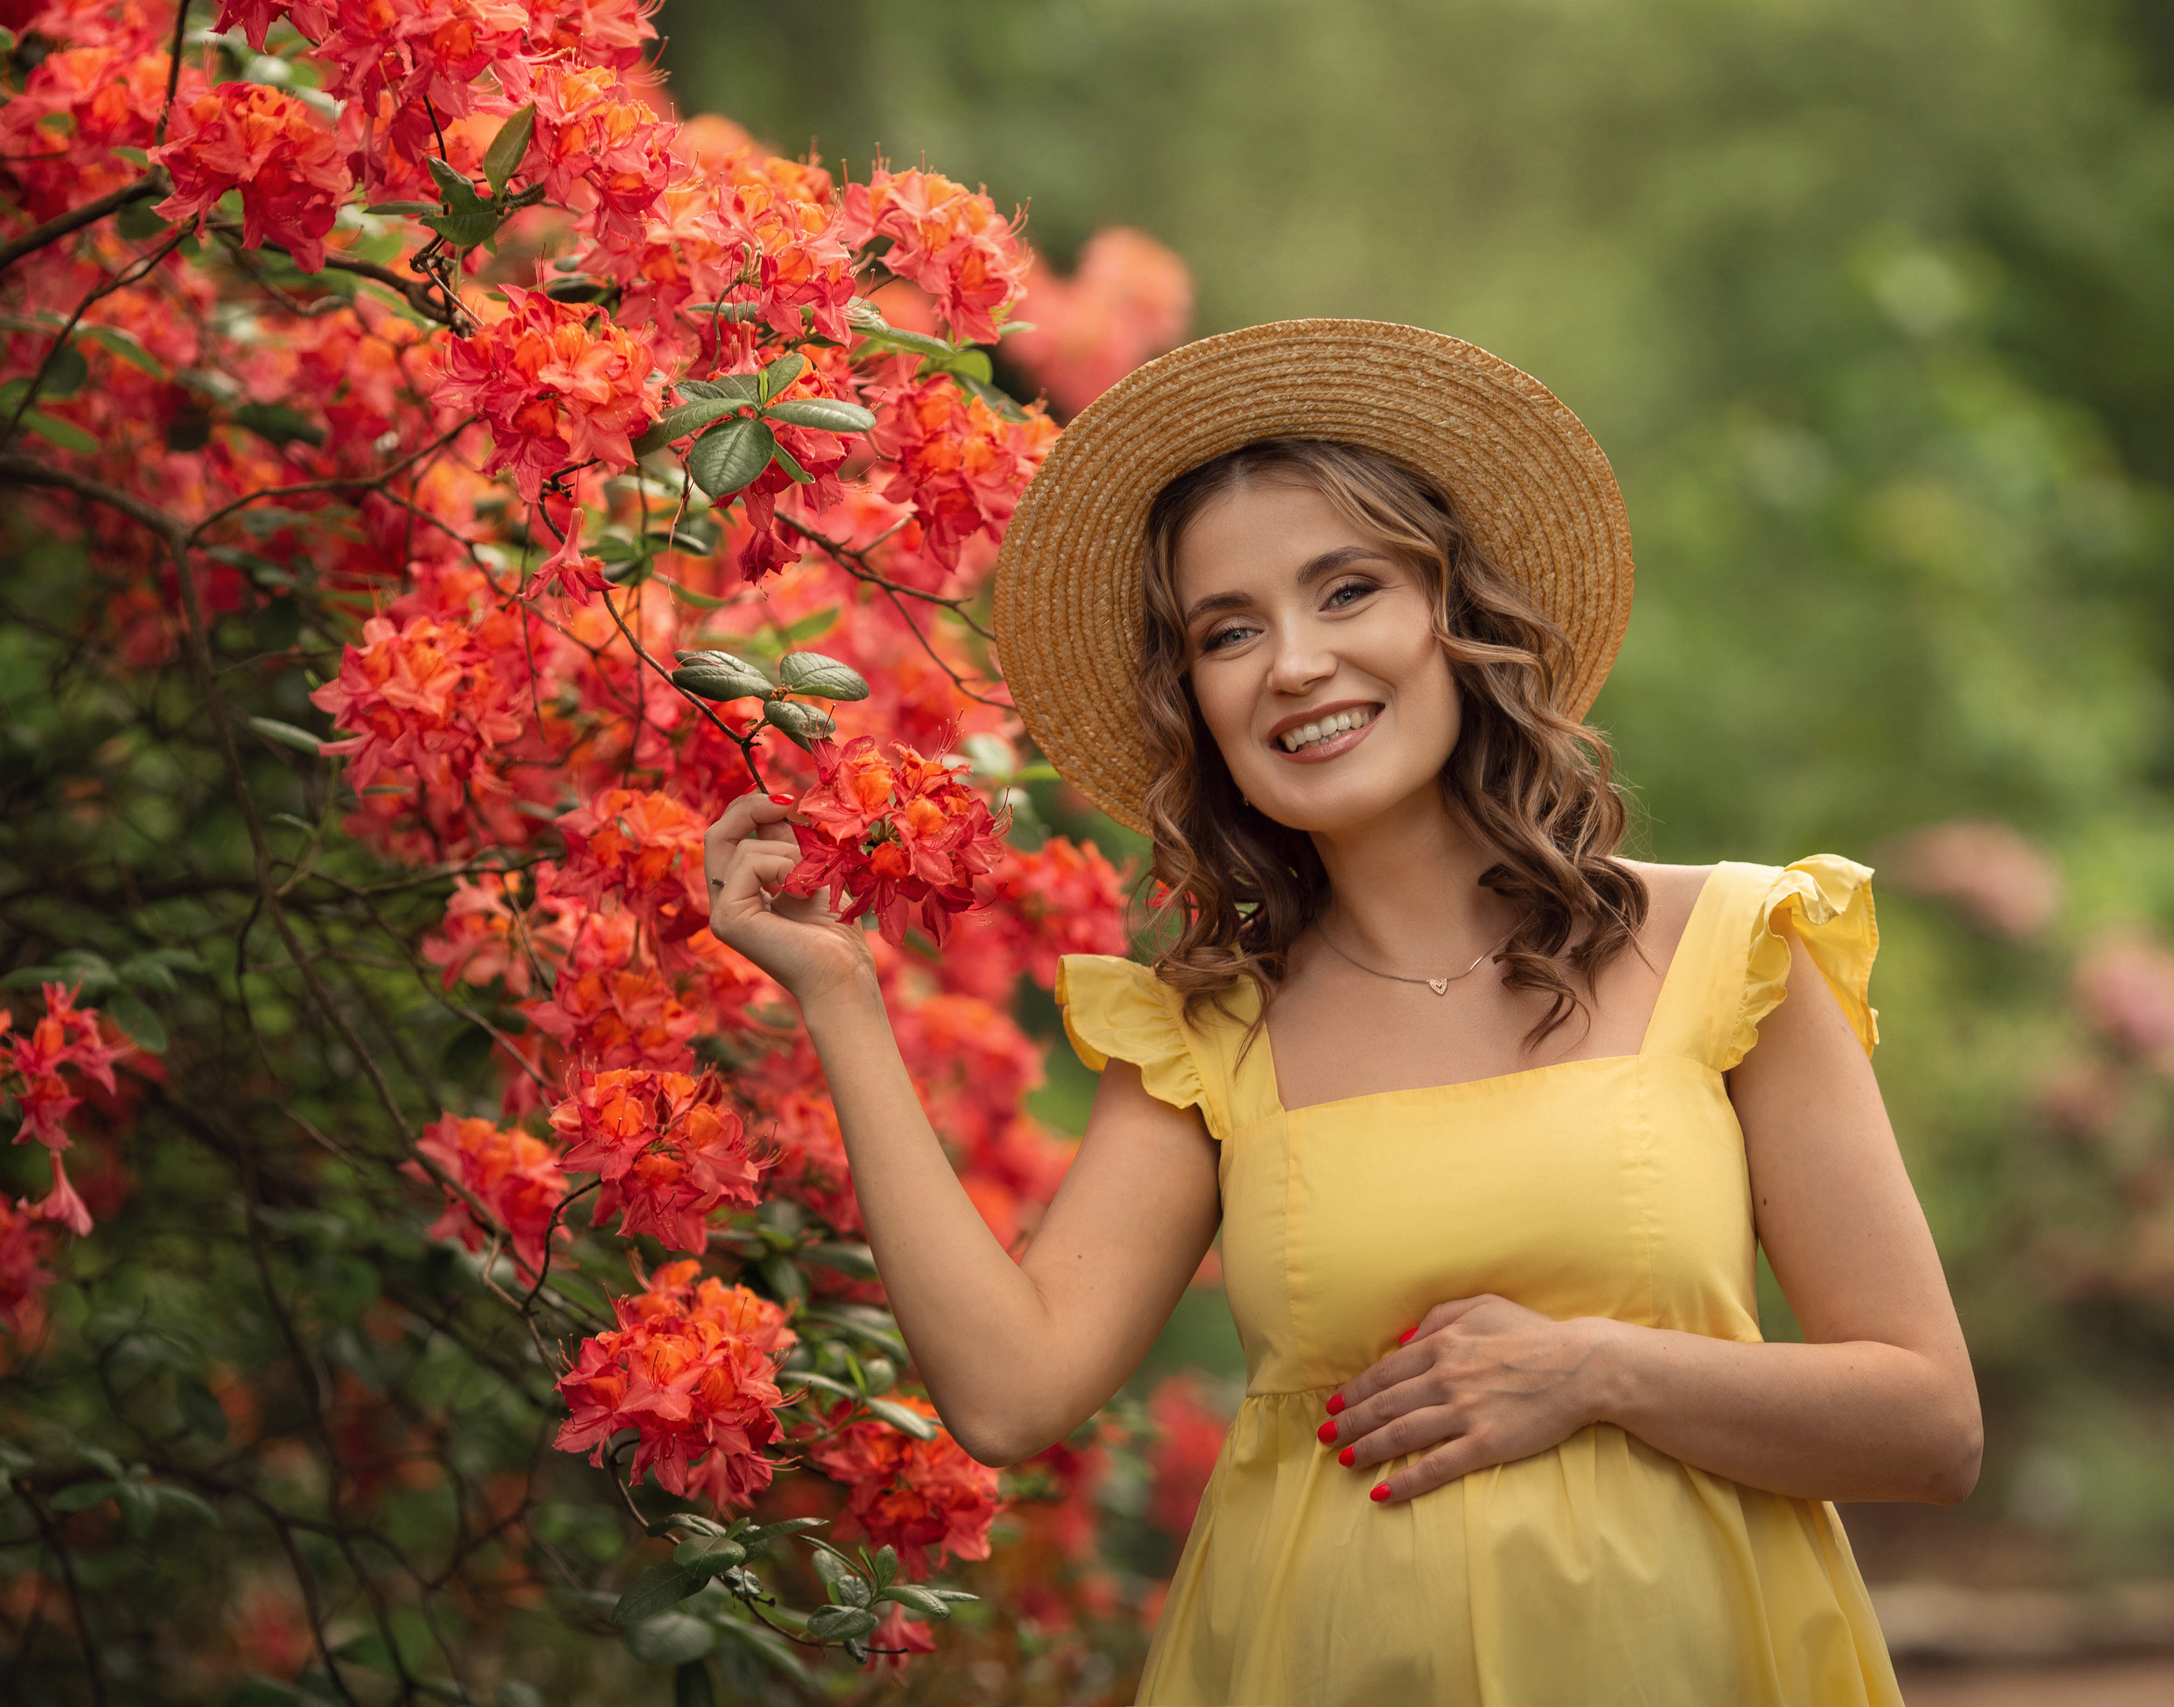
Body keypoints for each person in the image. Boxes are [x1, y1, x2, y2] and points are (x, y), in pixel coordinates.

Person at [704, 319, 1978, 1705]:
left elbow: (1928, 1424)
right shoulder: (1208, 1039)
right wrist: (840, 995)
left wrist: (1596, 1370)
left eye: (1347, 590)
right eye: (1228, 632)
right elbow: (1010, 1396)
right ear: (1194, 699)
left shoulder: (1731, 948)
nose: (1295, 665)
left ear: (1456, 616)